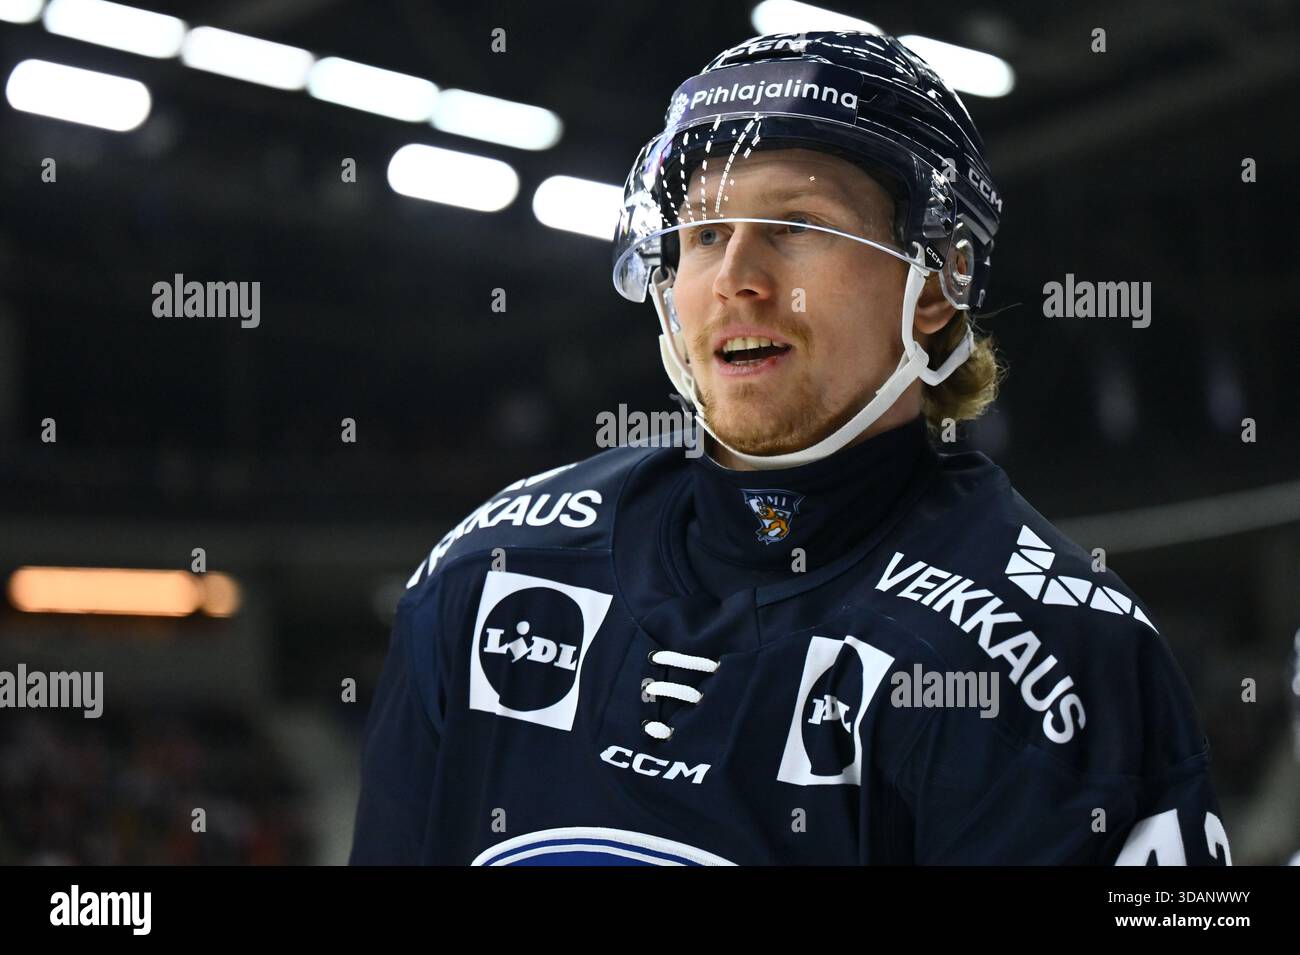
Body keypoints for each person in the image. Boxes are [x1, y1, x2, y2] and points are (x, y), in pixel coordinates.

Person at [350, 30, 1228, 865]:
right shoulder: (490, 573)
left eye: (798, 224)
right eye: (702, 233)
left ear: (935, 284)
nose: (736, 277)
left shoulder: (1050, 663)